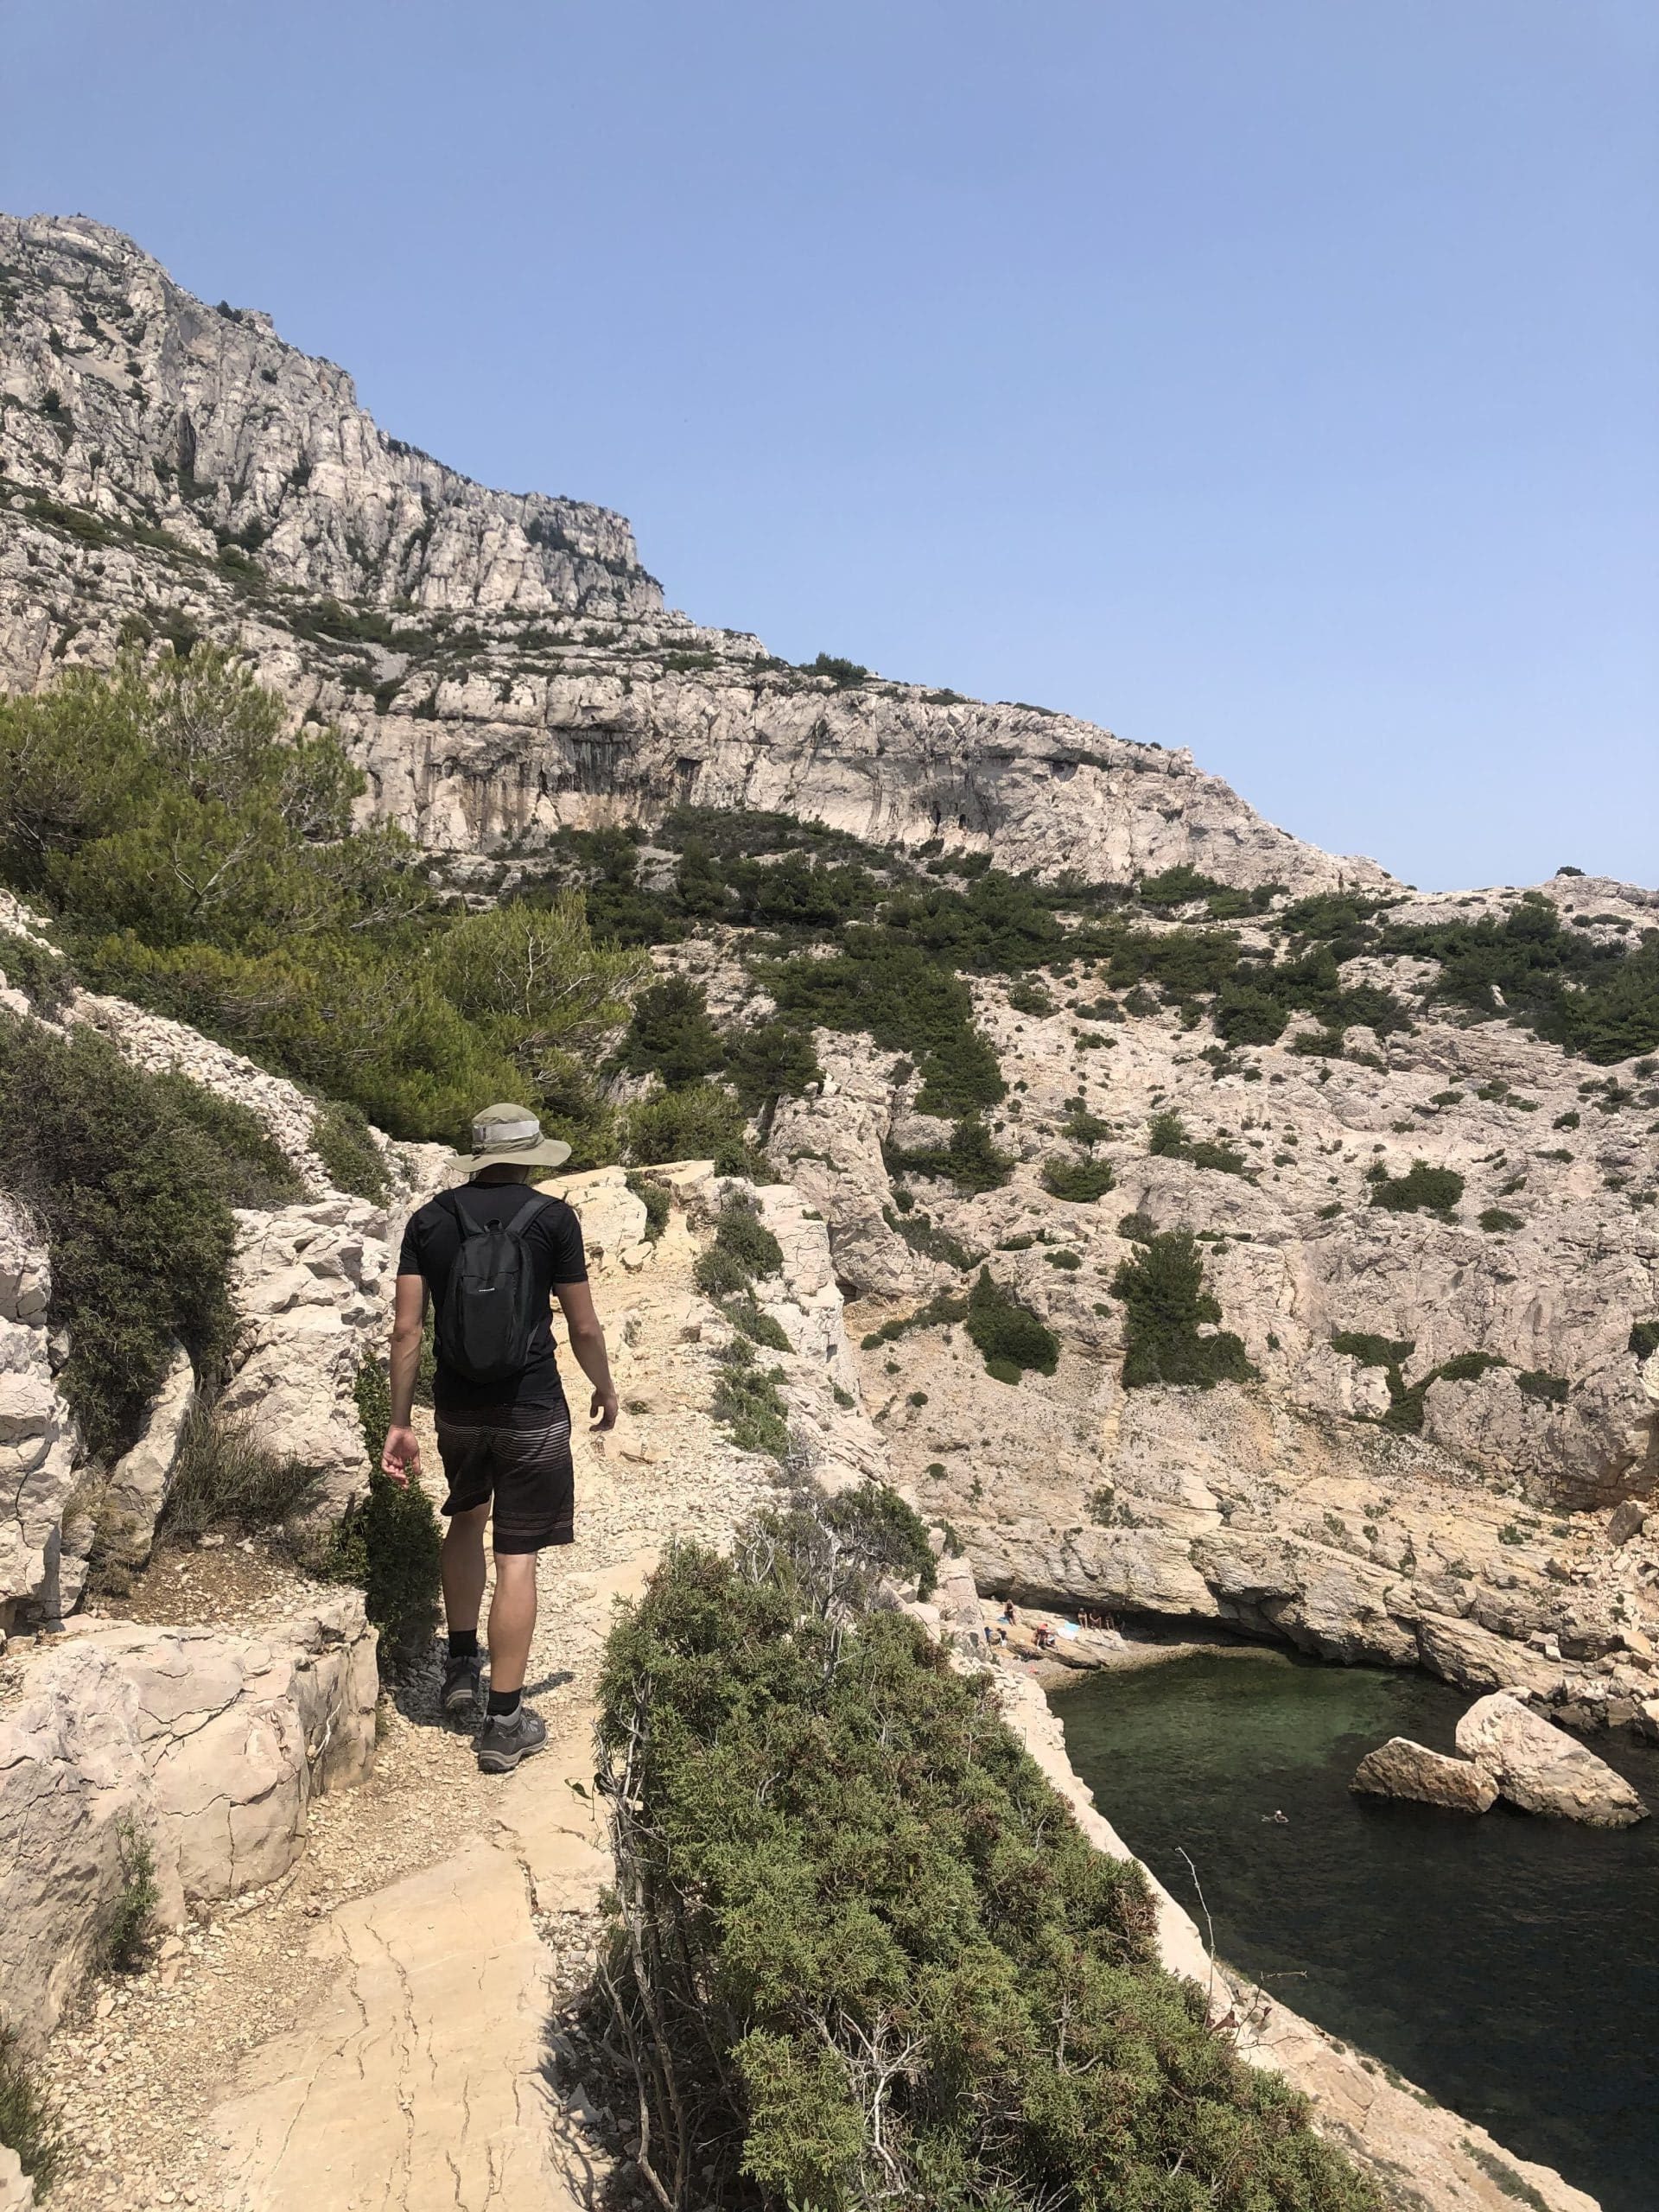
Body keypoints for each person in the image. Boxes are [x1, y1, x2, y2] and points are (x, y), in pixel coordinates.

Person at [380, 1103, 620, 1774]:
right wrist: (604, 1386)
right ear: (531, 1156)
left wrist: (399, 1421)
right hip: (532, 1409)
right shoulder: (552, 1219)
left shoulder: (428, 1221)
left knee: (465, 1519)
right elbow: (585, 1327)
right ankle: (504, 1723)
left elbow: (406, 1332)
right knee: (518, 1556)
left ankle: (460, 1666)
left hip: (457, 1409)